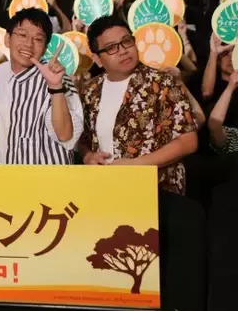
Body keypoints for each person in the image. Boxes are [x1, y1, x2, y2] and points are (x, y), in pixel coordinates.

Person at [80, 16, 198, 195]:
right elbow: (81, 139)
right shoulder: (90, 91)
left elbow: (188, 141)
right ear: (97, 59)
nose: (123, 51)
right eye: (111, 48)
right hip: (106, 188)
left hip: (157, 190)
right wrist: (88, 156)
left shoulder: (163, 83)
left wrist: (136, 165)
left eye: (126, 41)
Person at [0, 8, 84, 165]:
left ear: (45, 48)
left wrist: (55, 86)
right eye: (22, 35)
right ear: (7, 39)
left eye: (38, 39)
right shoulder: (1, 73)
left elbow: (66, 136)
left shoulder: (59, 78)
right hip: (12, 174)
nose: (29, 44)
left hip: (50, 177)